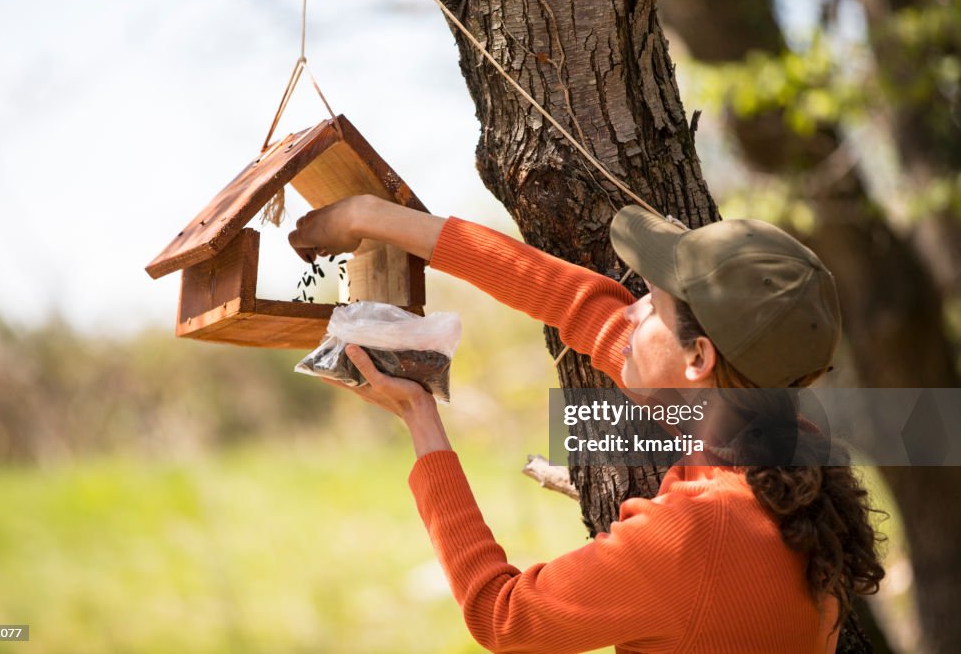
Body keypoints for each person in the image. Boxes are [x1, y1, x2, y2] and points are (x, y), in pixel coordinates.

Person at [288, 194, 885, 654]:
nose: (631, 307)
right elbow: (573, 304)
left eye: (653, 304)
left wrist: (419, 417)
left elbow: (503, 616)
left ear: (698, 358)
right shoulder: (774, 438)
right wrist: (375, 216)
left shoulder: (699, 531)